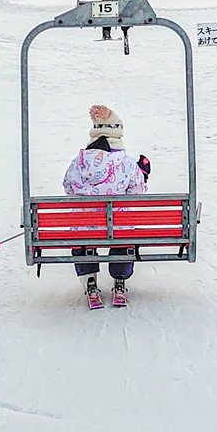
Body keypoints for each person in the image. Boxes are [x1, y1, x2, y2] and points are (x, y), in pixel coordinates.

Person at [62, 104, 147, 304]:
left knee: (82, 232)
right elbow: (137, 193)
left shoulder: (78, 162)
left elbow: (68, 189)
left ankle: (90, 281)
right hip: (118, 227)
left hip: (85, 228)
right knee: (122, 231)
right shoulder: (127, 163)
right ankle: (119, 279)